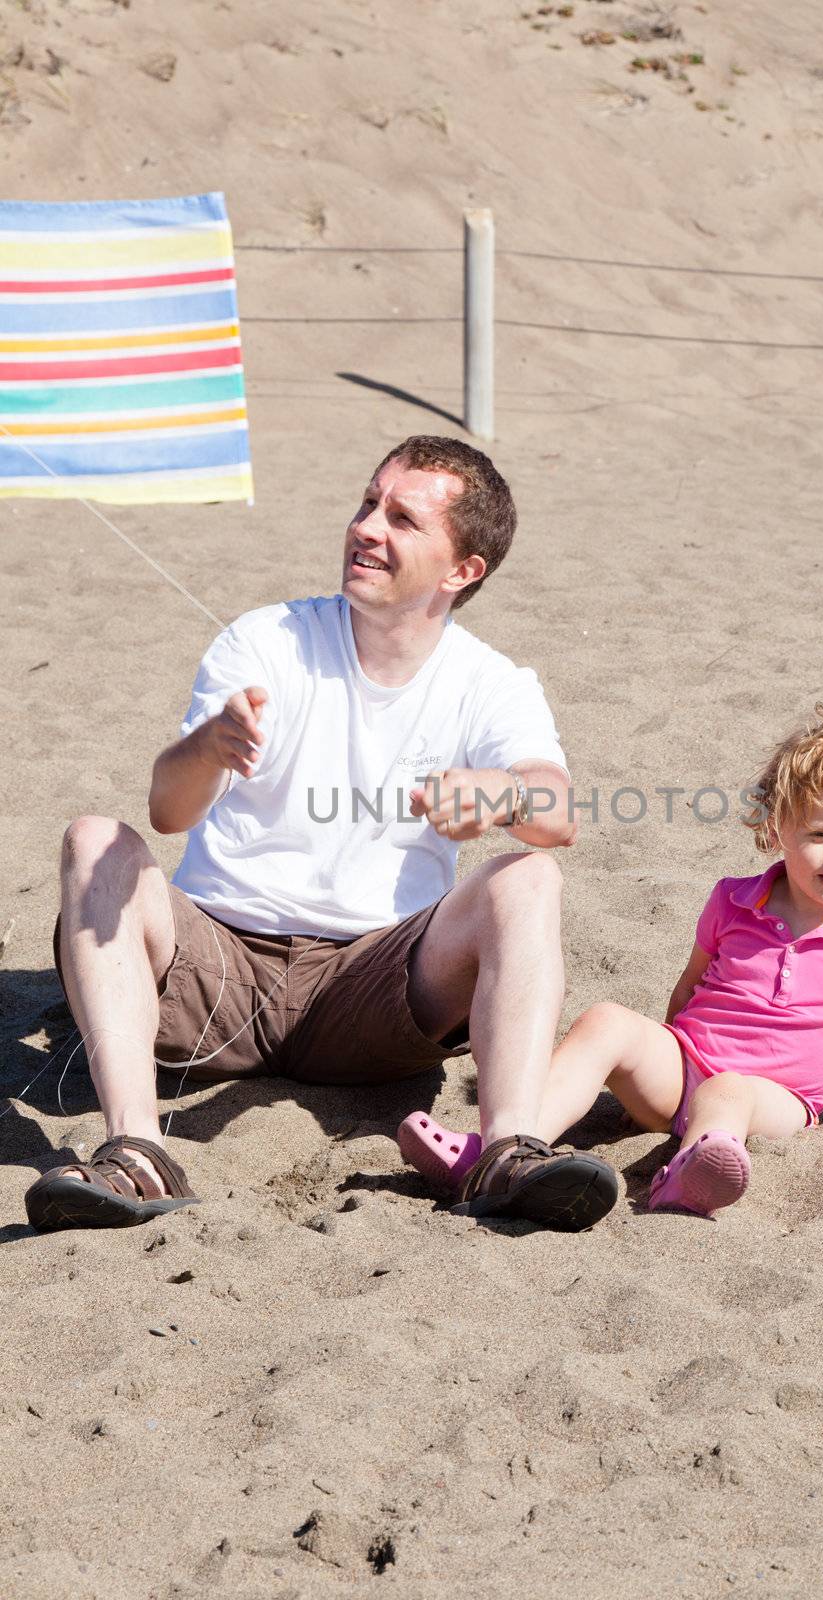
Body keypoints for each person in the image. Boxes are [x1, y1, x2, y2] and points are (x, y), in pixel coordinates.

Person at [25, 435, 618, 1234]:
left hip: (372, 989)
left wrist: (499, 791)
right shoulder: (265, 639)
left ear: (460, 570)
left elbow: (557, 815)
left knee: (528, 878)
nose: (367, 527)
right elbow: (169, 812)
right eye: (367, 503)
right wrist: (208, 749)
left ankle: (508, 1149)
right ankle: (136, 1150)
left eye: (401, 518)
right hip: (214, 976)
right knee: (95, 837)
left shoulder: (489, 681)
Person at [398, 705, 823, 1217]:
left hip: (776, 1099)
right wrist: (648, 1075)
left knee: (728, 1093)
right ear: (777, 830)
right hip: (686, 1064)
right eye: (820, 834)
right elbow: (688, 991)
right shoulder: (733, 900)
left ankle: (690, 1178)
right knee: (607, 1021)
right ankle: (504, 1146)